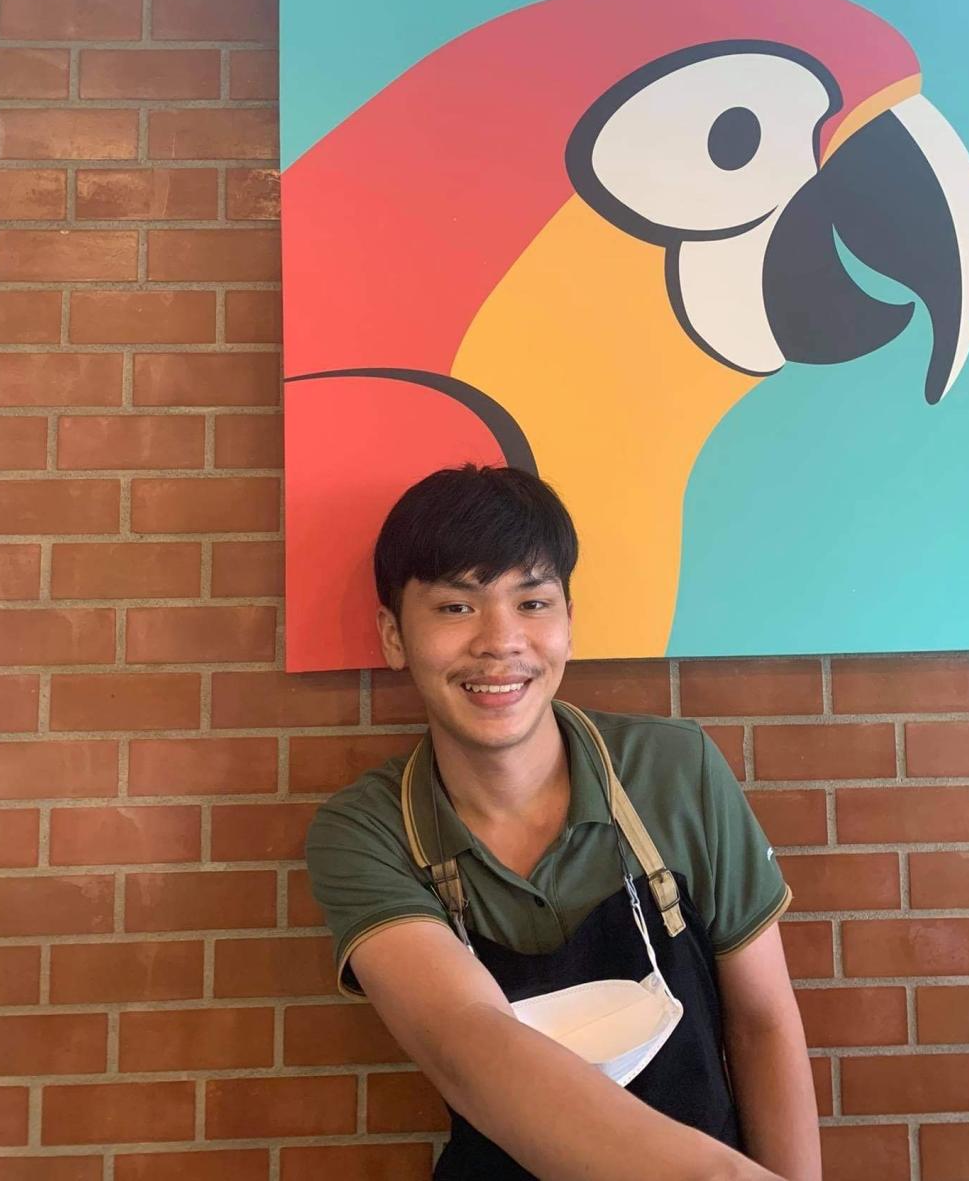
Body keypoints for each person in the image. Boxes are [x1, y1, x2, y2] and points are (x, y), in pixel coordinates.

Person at [306, 465, 821, 1180]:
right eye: (456, 606)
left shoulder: (676, 770)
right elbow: (468, 1045)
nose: (501, 640)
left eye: (532, 602)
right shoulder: (367, 831)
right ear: (394, 635)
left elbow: (763, 1022)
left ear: (569, 624)